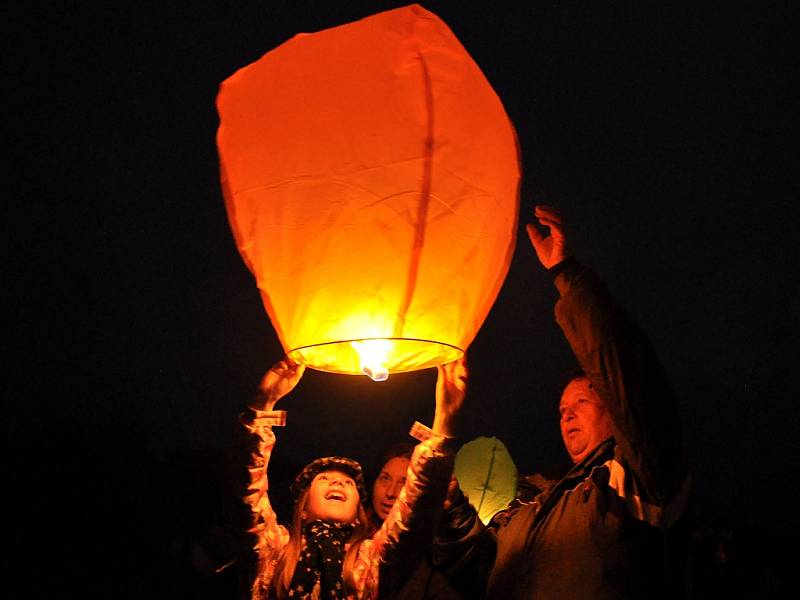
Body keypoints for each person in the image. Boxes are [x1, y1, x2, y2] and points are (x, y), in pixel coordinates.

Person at [436, 205, 691, 599]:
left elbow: (621, 366)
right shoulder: (529, 502)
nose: (567, 415)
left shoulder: (638, 479)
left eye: (581, 403)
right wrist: (449, 504)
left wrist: (566, 273)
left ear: (612, 405)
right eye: (561, 410)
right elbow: (472, 570)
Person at [242, 355, 468, 600]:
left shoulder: (370, 559)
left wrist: (445, 420)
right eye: (324, 479)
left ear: (357, 512)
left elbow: (416, 513)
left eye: (349, 483)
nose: (338, 482)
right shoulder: (274, 547)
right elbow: (246, 490)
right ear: (303, 507)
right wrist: (262, 405)